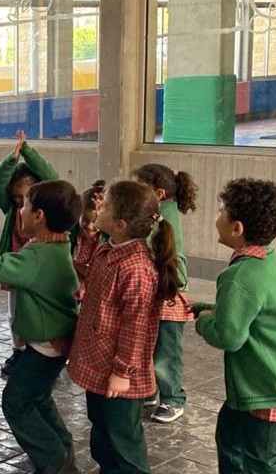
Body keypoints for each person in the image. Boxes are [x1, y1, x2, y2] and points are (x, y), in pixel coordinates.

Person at [194, 178, 276, 474]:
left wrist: (203, 323)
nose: (217, 216)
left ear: (236, 228)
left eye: (221, 210)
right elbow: (257, 310)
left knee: (264, 462)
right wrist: (209, 309)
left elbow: (228, 336)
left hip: (273, 387)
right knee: (230, 436)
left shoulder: (239, 275)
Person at [0, 180, 82, 474]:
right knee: (37, 397)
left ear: (39, 215)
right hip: (53, 341)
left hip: (46, 346)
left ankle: (54, 462)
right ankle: (61, 449)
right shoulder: (56, 244)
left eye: (25, 205)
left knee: (15, 402)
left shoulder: (39, 256)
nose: (20, 211)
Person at [67, 180, 181, 474]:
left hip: (118, 374)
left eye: (104, 206)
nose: (98, 208)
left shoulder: (136, 268)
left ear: (120, 224)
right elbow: (83, 265)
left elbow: (136, 328)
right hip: (99, 363)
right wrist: (87, 233)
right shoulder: (109, 248)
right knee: (102, 432)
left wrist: (122, 372)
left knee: (124, 441)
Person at [131, 163, 198, 424]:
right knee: (149, 346)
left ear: (158, 194)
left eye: (139, 186)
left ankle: (173, 399)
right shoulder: (157, 211)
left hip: (169, 292)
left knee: (166, 352)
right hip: (157, 290)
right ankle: (151, 391)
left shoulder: (162, 216)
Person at [0, 130, 59, 375]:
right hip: (17, 272)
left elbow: (51, 178)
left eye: (26, 198)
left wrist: (27, 151)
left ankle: (42, 352)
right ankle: (18, 350)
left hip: (41, 274)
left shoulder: (49, 211)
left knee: (39, 313)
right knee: (15, 313)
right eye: (17, 197)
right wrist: (11, 159)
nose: (21, 204)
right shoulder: (12, 209)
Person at [72, 179, 106, 301]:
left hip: (97, 284)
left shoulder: (106, 238)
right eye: (85, 220)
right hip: (76, 280)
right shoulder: (73, 233)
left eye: (95, 221)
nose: (90, 227)